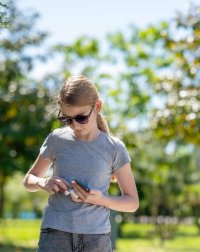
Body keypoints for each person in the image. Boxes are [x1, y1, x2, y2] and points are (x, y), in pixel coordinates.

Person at [23, 76, 139, 252]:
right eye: (67, 119)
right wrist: (43, 182)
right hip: (55, 234)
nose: (75, 125)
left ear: (97, 107)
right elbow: (29, 179)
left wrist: (102, 200)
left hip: (96, 239)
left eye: (81, 118)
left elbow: (132, 202)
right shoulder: (57, 139)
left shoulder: (114, 148)